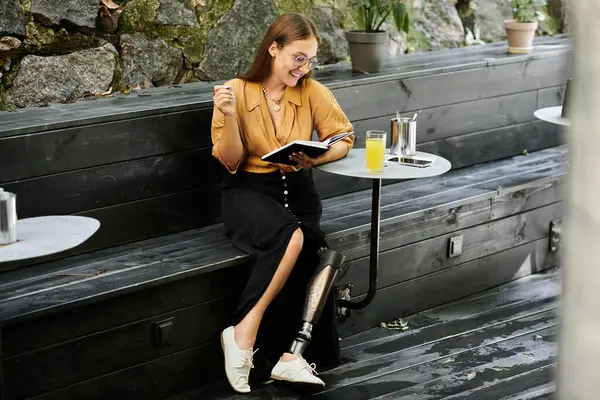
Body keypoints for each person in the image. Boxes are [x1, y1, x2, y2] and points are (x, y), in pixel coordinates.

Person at [211, 13, 354, 394]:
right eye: (297, 57)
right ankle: (243, 333)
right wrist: (228, 118)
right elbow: (230, 159)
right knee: (291, 237)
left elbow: (343, 136)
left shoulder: (312, 91)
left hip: (299, 194)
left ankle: (292, 357)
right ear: (273, 49)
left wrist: (316, 158)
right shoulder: (235, 92)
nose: (303, 67)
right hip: (248, 192)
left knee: (319, 254)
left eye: (310, 60)